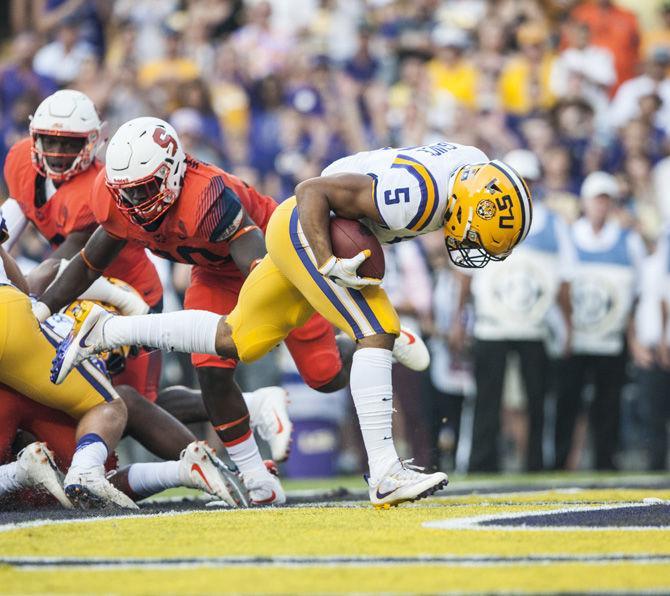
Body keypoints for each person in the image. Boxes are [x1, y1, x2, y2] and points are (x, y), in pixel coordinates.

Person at [50, 138, 533, 507]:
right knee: (376, 330)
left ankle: (106, 331)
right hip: (307, 227)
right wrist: (329, 261)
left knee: (233, 338)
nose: (470, 240)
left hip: (301, 227)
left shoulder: (470, 170)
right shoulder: (416, 195)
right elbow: (311, 190)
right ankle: (385, 472)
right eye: (476, 230)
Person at [2, 89, 163, 405]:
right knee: (79, 398)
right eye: (51, 141)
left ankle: (251, 406)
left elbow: (59, 267)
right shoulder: (21, 159)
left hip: (129, 293)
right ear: (35, 138)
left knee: (133, 403)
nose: (59, 151)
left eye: (70, 143)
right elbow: (16, 212)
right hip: (72, 293)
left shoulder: (96, 187)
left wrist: (11, 292)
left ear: (91, 143)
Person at [0, 210, 131, 508]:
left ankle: (21, 472)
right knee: (109, 404)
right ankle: (81, 471)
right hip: (7, 314)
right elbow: (21, 284)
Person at [453, 150, 574, 472]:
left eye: (529, 180)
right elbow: (465, 277)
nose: (524, 186)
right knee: (486, 400)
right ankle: (480, 464)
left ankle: (535, 464)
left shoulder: (554, 225)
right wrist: (457, 322)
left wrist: (568, 328)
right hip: (491, 325)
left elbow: (564, 282)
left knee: (537, 401)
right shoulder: (480, 215)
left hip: (535, 327)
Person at [555, 171, 646, 470]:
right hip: (576, 338)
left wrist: (630, 334)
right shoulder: (567, 235)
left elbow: (637, 291)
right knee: (568, 402)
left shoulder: (627, 240)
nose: (601, 206)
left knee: (608, 405)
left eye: (606, 200)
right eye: (596, 200)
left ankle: (605, 461)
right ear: (585, 202)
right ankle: (560, 460)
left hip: (609, 339)